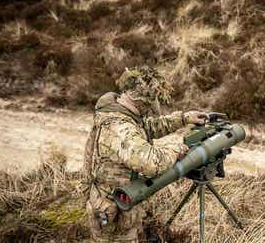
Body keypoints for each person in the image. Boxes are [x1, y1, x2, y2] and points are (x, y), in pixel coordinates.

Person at [83, 66, 208, 242]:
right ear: (142, 102)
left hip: (125, 204)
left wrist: (184, 119)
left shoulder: (122, 112)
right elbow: (151, 163)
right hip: (114, 216)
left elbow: (148, 127)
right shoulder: (119, 127)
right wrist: (176, 148)